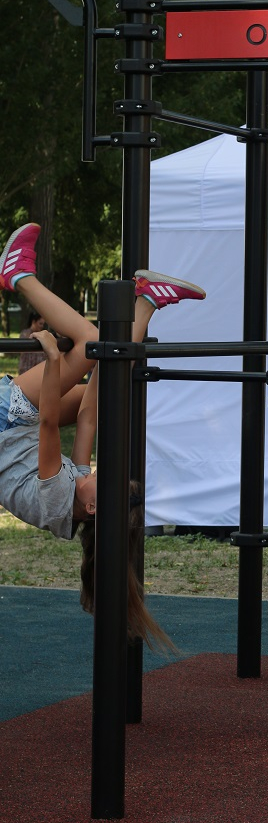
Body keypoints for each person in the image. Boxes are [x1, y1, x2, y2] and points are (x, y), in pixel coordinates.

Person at [0, 222, 206, 649]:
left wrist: (54, 360)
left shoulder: (58, 498)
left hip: (6, 424)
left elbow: (49, 424)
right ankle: (147, 302)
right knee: (108, 387)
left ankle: (17, 275)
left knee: (89, 340)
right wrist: (107, 360)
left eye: (105, 480)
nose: (99, 472)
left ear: (93, 506)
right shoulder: (79, 495)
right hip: (22, 431)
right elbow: (89, 417)